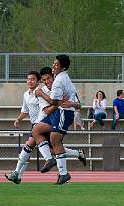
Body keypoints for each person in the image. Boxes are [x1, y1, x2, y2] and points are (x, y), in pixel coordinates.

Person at [32, 55, 79, 184]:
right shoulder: (62, 77)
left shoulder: (59, 81)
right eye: (53, 64)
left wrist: (41, 94)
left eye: (56, 64)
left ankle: (63, 174)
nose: (53, 66)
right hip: (56, 113)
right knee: (36, 130)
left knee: (54, 140)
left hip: (63, 113)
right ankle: (49, 159)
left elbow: (54, 102)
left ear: (62, 67)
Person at [5, 71, 41, 184]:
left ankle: (16, 174)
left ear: (38, 81)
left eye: (33, 79)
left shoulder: (42, 92)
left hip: (43, 125)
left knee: (28, 148)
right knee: (52, 150)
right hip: (34, 125)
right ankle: (18, 176)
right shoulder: (26, 94)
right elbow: (25, 110)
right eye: (28, 79)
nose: (30, 81)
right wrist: (18, 119)